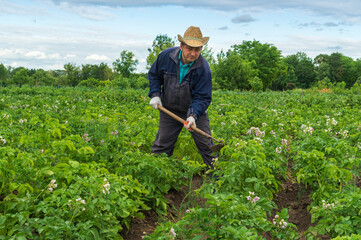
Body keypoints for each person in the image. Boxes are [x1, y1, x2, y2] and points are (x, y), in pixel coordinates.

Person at [148, 26, 216, 170]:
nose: (193, 53)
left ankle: (218, 178)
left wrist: (192, 116)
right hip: (169, 110)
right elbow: (154, 75)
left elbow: (203, 97)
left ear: (201, 49)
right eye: (189, 48)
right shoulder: (166, 57)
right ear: (181, 46)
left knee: (206, 146)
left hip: (195, 113)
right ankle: (157, 177)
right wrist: (155, 94)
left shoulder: (203, 68)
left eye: (197, 50)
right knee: (162, 145)